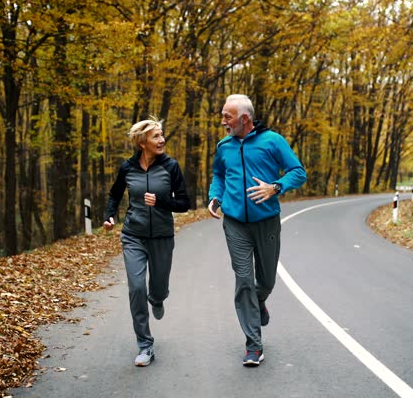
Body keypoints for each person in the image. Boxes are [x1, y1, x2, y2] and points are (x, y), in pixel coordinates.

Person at [207, 94, 307, 366]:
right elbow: (219, 174)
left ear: (245, 119)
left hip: (266, 222)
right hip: (235, 223)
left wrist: (275, 187)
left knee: (266, 281)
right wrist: (215, 196)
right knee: (243, 280)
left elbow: (298, 172)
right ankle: (254, 345)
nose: (223, 121)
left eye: (227, 116)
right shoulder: (224, 145)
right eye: (223, 115)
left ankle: (259, 300)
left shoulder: (272, 141)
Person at [103, 116, 190, 367]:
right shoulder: (127, 168)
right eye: (156, 136)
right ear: (143, 142)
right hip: (133, 235)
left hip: (162, 236)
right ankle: (145, 345)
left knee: (157, 288)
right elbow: (114, 195)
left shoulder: (171, 167)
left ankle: (158, 298)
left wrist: (161, 202)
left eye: (162, 135)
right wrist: (110, 217)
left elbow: (184, 204)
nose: (162, 140)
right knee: (136, 288)